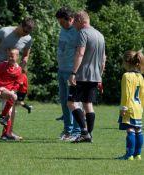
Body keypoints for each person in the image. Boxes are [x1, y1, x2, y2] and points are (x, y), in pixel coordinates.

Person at [0, 17, 35, 140]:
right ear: (20, 25)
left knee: (11, 100)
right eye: (24, 31)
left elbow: (25, 56)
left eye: (28, 33)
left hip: (12, 75)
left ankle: (7, 132)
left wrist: (21, 68)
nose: (26, 34)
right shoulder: (4, 32)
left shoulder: (28, 39)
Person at [68, 11, 106, 143]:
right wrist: (99, 76)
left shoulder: (83, 33)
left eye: (74, 22)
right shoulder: (100, 35)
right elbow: (103, 59)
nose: (73, 26)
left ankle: (84, 132)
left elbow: (80, 53)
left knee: (71, 103)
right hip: (95, 76)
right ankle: (89, 134)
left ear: (80, 20)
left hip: (82, 75)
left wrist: (73, 72)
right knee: (88, 104)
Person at [55, 7, 80, 141]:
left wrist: (75, 72)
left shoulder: (77, 31)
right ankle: (67, 130)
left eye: (62, 22)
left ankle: (77, 131)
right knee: (64, 102)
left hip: (72, 72)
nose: (61, 25)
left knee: (74, 102)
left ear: (70, 19)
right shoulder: (62, 30)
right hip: (61, 70)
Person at [118, 50, 144, 160]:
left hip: (129, 107)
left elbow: (126, 94)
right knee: (138, 130)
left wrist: (124, 107)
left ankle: (129, 155)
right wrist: (142, 107)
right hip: (138, 107)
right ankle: (137, 154)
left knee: (130, 130)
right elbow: (142, 95)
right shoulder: (140, 76)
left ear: (127, 62)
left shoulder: (126, 76)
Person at [0, 48, 23, 140]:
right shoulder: (2, 65)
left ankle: (5, 134)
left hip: (10, 92)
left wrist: (13, 91)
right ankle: (2, 116)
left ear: (17, 57)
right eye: (9, 56)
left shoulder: (18, 69)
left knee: (10, 112)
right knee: (14, 97)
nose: (10, 58)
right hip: (1, 89)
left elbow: (17, 83)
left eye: (12, 56)